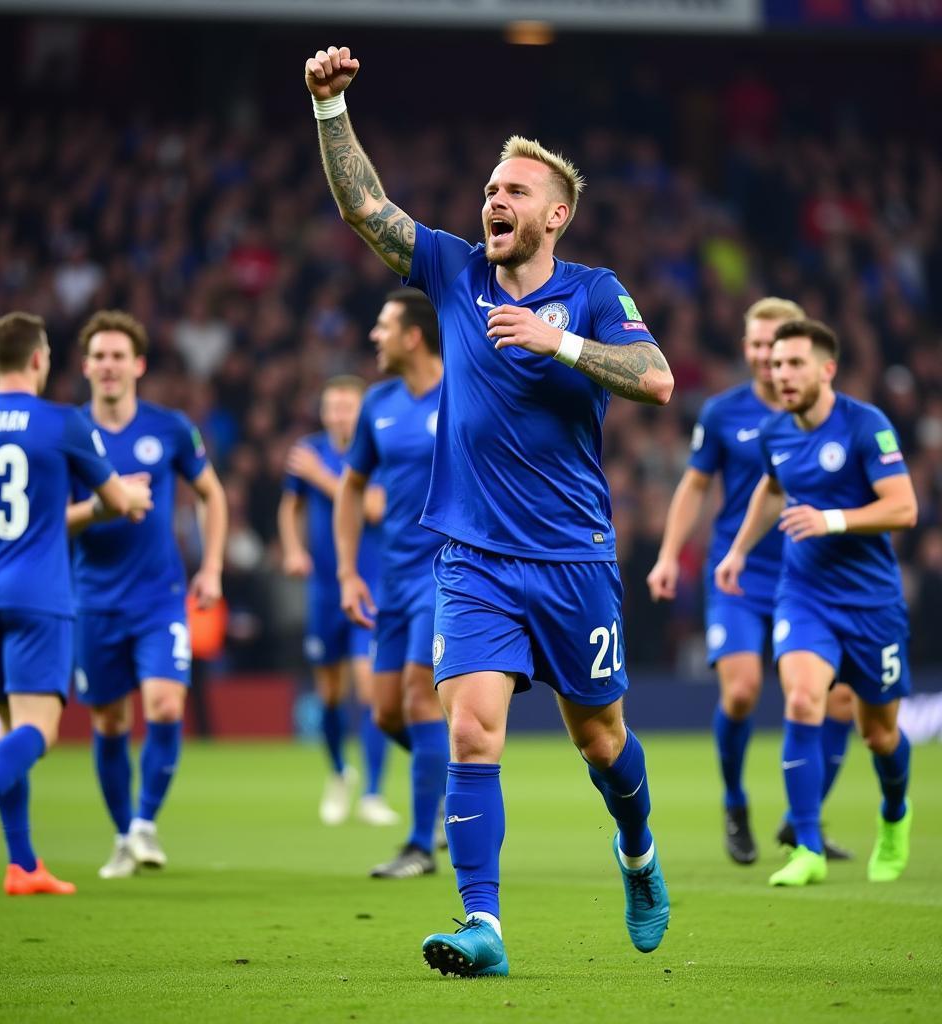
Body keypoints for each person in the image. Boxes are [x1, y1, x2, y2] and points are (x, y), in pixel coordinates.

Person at [305, 45, 674, 976]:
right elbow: (365, 209)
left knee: (601, 738)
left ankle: (637, 853)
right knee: (470, 727)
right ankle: (485, 926)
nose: (493, 200)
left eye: (514, 190)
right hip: (471, 555)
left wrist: (562, 343)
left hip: (574, 558)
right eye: (488, 188)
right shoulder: (454, 272)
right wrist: (331, 110)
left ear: (556, 214)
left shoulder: (591, 292)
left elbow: (658, 379)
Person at [0, 311, 150, 894]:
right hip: (38, 592)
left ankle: (23, 864)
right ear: (37, 359)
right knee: (40, 730)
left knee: (10, 730)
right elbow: (108, 500)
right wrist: (126, 496)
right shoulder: (60, 423)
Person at [647, 298, 854, 864]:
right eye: (756, 345)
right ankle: (736, 803)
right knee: (740, 692)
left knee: (838, 702)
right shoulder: (722, 413)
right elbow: (693, 486)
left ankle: (800, 817)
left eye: (775, 346)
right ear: (745, 348)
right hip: (738, 573)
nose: (765, 356)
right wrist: (669, 554)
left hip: (811, 573)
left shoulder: (829, 413)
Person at [715, 319, 917, 888]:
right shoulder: (777, 433)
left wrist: (831, 520)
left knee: (879, 734)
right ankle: (806, 846)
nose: (782, 374)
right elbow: (772, 489)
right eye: (776, 364)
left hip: (872, 604)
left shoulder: (864, 425)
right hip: (804, 595)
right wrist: (736, 552)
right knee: (803, 700)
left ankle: (895, 814)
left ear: (826, 369)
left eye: (795, 363)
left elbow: (903, 508)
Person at [66, 310, 227, 879]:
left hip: (160, 597)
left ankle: (144, 825)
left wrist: (211, 568)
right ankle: (120, 834)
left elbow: (212, 493)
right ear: (86, 366)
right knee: (109, 723)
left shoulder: (169, 427)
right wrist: (104, 503)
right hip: (94, 600)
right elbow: (51, 524)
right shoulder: (67, 433)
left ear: (137, 365)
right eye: (99, 356)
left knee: (165, 705)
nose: (108, 366)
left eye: (118, 356)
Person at [335, 288, 448, 878]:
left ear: (413, 336)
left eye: (383, 326)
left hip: (449, 572)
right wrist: (349, 571)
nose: (373, 336)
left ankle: (419, 845)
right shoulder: (378, 404)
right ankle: (453, 784)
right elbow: (352, 488)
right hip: (395, 578)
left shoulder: (463, 393)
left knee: (416, 694)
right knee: (384, 714)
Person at [278, 376, 396, 827]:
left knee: (369, 689)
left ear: (360, 411)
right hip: (324, 589)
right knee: (329, 692)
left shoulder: (378, 445)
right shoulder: (308, 449)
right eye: (332, 408)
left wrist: (321, 478)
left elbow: (373, 508)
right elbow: (289, 506)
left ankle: (372, 792)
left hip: (369, 584)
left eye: (347, 407)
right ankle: (338, 773)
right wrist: (292, 548)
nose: (339, 416)